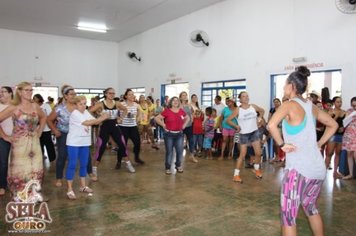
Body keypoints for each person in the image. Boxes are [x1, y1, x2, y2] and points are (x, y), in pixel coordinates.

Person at [268, 66, 338, 236]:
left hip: (298, 171)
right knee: (311, 207)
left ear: (292, 86)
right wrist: (319, 143)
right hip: (317, 169)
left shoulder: (288, 105)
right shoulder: (311, 105)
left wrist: (281, 144)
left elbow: (270, 125)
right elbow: (333, 125)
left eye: (285, 85)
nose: (283, 88)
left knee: (288, 218)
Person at [0, 82, 46, 202]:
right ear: (19, 92)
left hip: (34, 145)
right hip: (19, 145)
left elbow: (43, 117)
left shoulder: (35, 106)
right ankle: (20, 198)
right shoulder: (14, 107)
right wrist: (5, 136)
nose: (30, 92)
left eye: (31, 90)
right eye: (26, 90)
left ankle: (32, 195)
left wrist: (40, 130)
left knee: (35, 170)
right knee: (20, 173)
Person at [65, 96, 109, 200]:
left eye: (85, 103)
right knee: (72, 165)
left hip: (84, 143)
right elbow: (88, 123)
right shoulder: (75, 114)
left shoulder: (86, 112)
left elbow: (96, 121)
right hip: (74, 143)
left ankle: (83, 186)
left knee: (84, 164)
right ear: (76, 105)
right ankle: (69, 189)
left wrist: (101, 116)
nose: (83, 106)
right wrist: (102, 117)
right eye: (81, 104)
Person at [90, 87, 131, 178]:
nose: (112, 95)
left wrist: (121, 118)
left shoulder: (116, 103)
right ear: (106, 94)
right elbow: (89, 111)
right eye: (110, 93)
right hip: (105, 126)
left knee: (122, 144)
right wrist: (98, 117)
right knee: (101, 147)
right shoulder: (101, 104)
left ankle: (128, 163)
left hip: (114, 125)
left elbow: (125, 110)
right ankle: (94, 168)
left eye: (113, 93)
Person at [227, 92, 265, 183]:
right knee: (242, 155)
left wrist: (259, 119)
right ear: (240, 99)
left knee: (258, 153)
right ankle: (236, 175)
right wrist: (236, 126)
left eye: (247, 96)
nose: (246, 97)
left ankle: (256, 169)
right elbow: (228, 120)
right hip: (244, 134)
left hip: (254, 132)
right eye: (244, 96)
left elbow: (262, 110)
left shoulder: (253, 106)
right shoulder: (238, 110)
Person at [47, 85, 77, 187]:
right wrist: (55, 130)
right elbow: (49, 120)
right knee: (62, 157)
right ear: (65, 96)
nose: (74, 96)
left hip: (75, 135)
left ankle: (70, 177)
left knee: (73, 157)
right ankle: (59, 178)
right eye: (71, 94)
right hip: (63, 134)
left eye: (74, 94)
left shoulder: (78, 106)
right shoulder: (59, 108)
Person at [155, 96, 189, 174]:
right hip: (169, 135)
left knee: (179, 151)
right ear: (171, 102)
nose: (175, 101)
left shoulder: (181, 111)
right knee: (169, 152)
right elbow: (157, 118)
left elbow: (188, 118)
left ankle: (178, 165)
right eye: (173, 100)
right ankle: (168, 167)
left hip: (179, 134)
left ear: (179, 102)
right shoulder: (167, 111)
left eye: (177, 100)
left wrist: (184, 125)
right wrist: (163, 125)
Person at [118, 89, 145, 165]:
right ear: (126, 96)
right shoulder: (121, 104)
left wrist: (138, 118)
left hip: (133, 127)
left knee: (137, 143)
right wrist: (118, 119)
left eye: (132, 94)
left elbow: (140, 112)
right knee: (122, 144)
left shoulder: (136, 105)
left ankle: (137, 158)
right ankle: (119, 161)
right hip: (123, 127)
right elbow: (116, 113)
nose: (132, 96)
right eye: (129, 94)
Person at [325, 96, 346, 178]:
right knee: (329, 153)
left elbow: (346, 123)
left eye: (340, 101)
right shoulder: (330, 112)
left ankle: (335, 172)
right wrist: (336, 115)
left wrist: (343, 128)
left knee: (338, 154)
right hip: (332, 135)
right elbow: (329, 123)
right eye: (337, 102)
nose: (339, 103)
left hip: (340, 135)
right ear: (334, 103)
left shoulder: (344, 112)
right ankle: (324, 171)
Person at [33, 94, 56, 162]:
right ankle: (41, 156)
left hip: (46, 129)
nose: (34, 100)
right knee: (39, 144)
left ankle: (52, 158)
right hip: (37, 129)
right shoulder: (34, 106)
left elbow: (49, 116)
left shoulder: (46, 106)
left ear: (39, 99)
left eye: (35, 99)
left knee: (49, 144)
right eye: (34, 99)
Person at [0, 86, 13, 196]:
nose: (1, 93)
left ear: (10, 93)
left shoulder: (16, 106)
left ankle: (15, 184)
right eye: (0, 92)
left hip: (16, 139)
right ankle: (2, 185)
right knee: (3, 162)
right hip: (3, 138)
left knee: (15, 163)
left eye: (3, 91)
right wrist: (4, 136)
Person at [179, 91, 197, 163]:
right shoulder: (179, 105)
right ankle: (179, 157)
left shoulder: (189, 105)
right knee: (180, 142)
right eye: (183, 95)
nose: (185, 96)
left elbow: (192, 113)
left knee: (191, 141)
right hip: (182, 126)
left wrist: (192, 118)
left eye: (185, 95)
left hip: (189, 125)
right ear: (180, 97)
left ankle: (191, 156)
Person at [342, 97, 356, 180]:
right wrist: (350, 115)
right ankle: (351, 174)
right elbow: (344, 122)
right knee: (349, 154)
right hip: (349, 135)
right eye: (353, 105)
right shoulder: (349, 111)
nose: (355, 107)